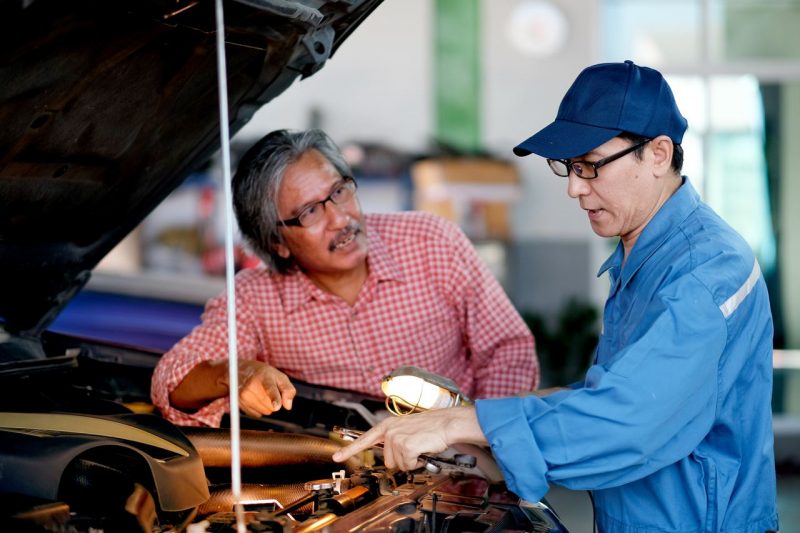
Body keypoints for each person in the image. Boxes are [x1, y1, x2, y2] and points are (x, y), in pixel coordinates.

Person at [334, 61, 779, 532]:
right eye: (568, 166)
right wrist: (482, 436)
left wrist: (461, 425)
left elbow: (628, 420)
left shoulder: (705, 271)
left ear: (658, 153)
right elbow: (605, 393)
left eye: (590, 166)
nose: (573, 188)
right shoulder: (648, 255)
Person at [151, 128, 538, 427]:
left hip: (464, 481)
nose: (341, 218)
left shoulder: (431, 242)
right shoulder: (255, 300)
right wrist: (236, 375)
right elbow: (171, 379)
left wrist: (486, 443)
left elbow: (508, 351)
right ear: (277, 242)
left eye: (339, 191)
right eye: (310, 213)